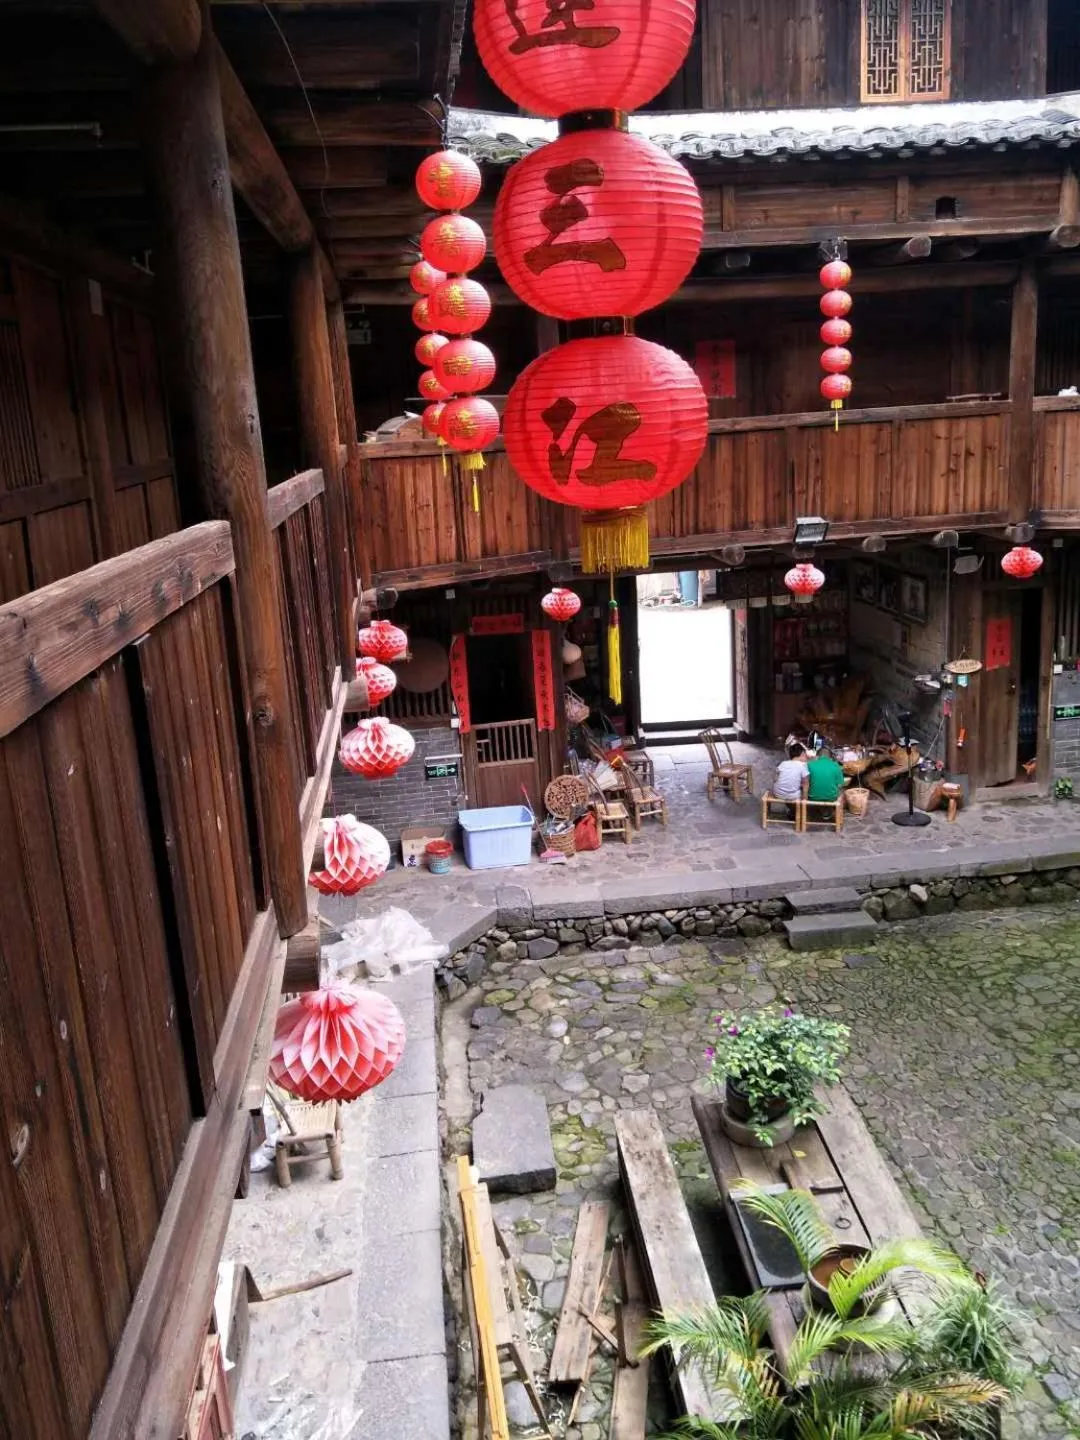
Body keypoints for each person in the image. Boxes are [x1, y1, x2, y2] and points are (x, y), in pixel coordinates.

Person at [774, 742, 810, 807]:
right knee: (805, 788)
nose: (806, 758)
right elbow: (806, 784)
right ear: (802, 754)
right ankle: (795, 810)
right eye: (805, 755)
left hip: (777, 794)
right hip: (792, 797)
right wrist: (805, 800)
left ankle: (789, 808)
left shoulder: (783, 763)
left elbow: (775, 779)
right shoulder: (803, 765)